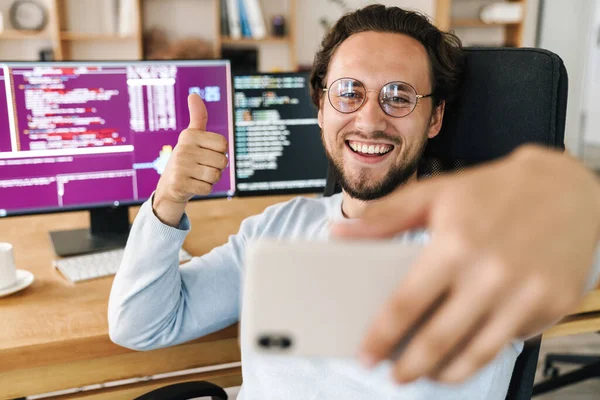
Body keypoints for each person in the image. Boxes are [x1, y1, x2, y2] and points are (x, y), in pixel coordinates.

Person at [108, 5, 600, 399]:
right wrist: (168, 199)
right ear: (321, 108)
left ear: (434, 119)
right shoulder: (275, 231)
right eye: (349, 93)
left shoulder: (480, 240)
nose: (370, 120)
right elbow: (141, 324)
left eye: (399, 96)